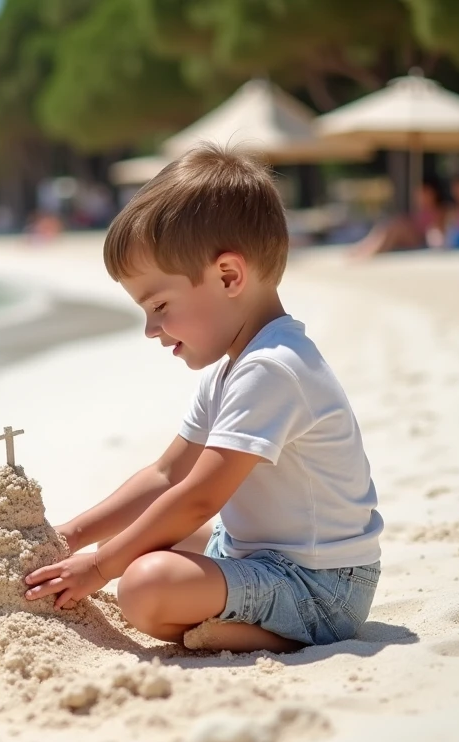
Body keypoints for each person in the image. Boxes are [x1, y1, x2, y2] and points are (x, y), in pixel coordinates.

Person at [23, 144, 383, 654]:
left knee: (141, 584)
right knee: (127, 545)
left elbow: (199, 496)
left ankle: (265, 637)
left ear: (229, 276)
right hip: (260, 558)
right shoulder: (233, 368)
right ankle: (228, 622)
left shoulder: (273, 367)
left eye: (160, 305)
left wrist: (100, 570)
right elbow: (165, 475)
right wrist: (71, 537)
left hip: (323, 587)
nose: (151, 329)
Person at [350, 177, 447, 259]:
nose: (419, 197)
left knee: (396, 227)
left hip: (419, 239)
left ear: (432, 194)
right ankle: (365, 248)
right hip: (413, 234)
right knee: (386, 226)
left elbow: (435, 231)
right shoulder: (420, 210)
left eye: (423, 193)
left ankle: (374, 251)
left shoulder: (438, 211)